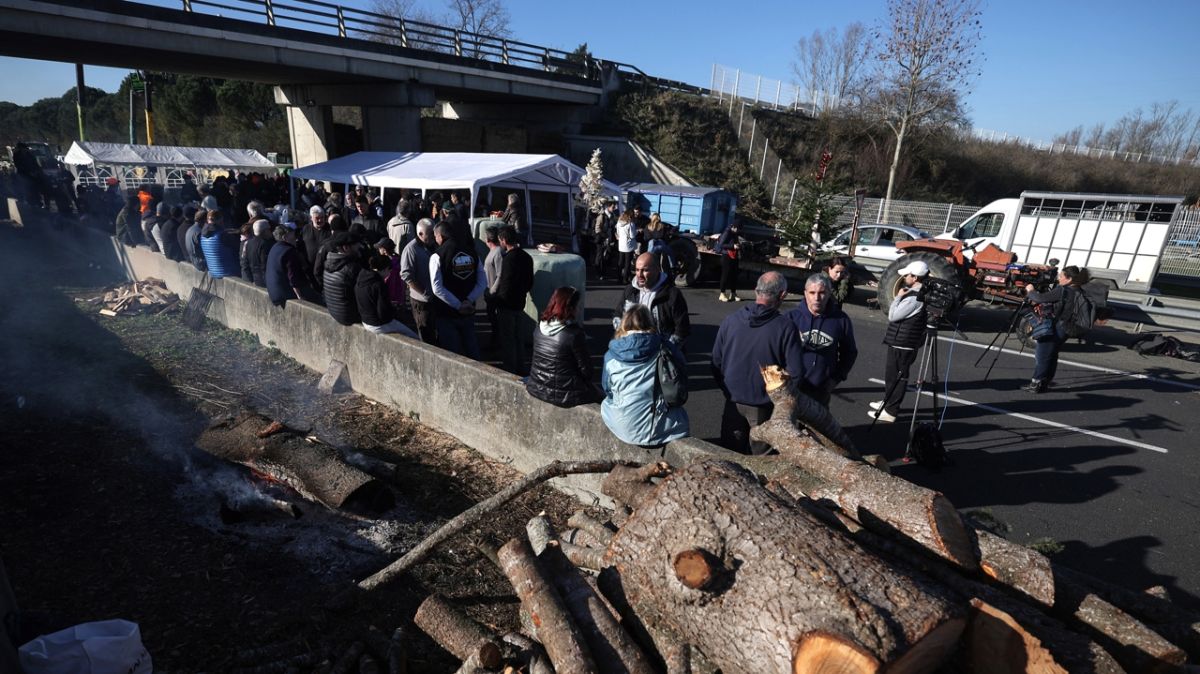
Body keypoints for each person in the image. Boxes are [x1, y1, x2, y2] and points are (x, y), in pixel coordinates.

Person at [711, 272, 805, 453]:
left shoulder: (731, 321)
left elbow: (716, 362)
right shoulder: (785, 327)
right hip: (764, 406)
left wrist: (728, 390)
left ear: (756, 291)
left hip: (732, 401)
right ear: (783, 295)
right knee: (763, 459)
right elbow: (796, 373)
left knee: (731, 456)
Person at [601, 305, 690, 447]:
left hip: (622, 427)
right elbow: (681, 378)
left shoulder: (611, 354)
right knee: (681, 417)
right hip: (655, 428)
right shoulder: (665, 347)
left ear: (623, 324)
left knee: (606, 403)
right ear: (651, 323)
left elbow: (608, 390)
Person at [869, 259, 929, 423]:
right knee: (892, 376)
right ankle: (887, 403)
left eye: (907, 275)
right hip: (903, 341)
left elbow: (893, 316)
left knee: (897, 377)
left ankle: (891, 411)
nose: (905, 278)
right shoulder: (919, 293)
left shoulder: (914, 298)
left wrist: (897, 298)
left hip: (903, 343)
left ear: (915, 277)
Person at [785, 274, 858, 406]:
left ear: (829, 293)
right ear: (805, 293)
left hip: (820, 389)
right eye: (812, 293)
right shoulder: (790, 318)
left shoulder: (841, 320)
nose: (817, 298)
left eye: (822, 293)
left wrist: (835, 379)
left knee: (814, 426)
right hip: (790, 387)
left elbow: (850, 352)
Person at [526, 287, 602, 408]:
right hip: (565, 395)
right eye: (577, 305)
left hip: (536, 386)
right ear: (570, 308)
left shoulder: (539, 327)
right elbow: (587, 372)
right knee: (602, 398)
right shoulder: (573, 334)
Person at [1022, 266, 1090, 393]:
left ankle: (1036, 383)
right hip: (1067, 327)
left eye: (1061, 276)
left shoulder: (1063, 290)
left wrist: (1030, 291)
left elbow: (1040, 298)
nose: (1059, 278)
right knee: (1051, 353)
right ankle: (1045, 381)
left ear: (1069, 279)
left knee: (1043, 354)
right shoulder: (1078, 290)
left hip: (1057, 326)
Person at [429, 222, 487, 359]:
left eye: (435, 236)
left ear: (440, 236)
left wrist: (458, 305)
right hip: (468, 311)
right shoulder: (472, 252)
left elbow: (437, 287)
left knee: (451, 356)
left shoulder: (437, 256)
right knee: (473, 352)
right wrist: (468, 300)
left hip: (447, 314)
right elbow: (482, 282)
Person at [613, 252, 691, 347]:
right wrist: (624, 337)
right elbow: (618, 315)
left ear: (657, 269)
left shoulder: (672, 294)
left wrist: (666, 348)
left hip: (660, 353)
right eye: (637, 270)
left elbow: (682, 329)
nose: (639, 275)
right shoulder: (630, 291)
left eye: (645, 270)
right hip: (632, 349)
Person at [493, 226, 535, 374]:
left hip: (507, 304)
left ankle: (510, 370)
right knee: (518, 338)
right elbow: (530, 281)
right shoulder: (527, 257)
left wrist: (498, 301)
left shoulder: (508, 259)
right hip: (519, 302)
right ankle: (521, 367)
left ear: (504, 240)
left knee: (508, 339)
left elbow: (506, 284)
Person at [357, 254, 418, 337]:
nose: (389, 274)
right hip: (377, 325)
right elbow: (384, 314)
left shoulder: (362, 278)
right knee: (414, 336)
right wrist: (393, 310)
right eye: (389, 271)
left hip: (365, 321)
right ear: (385, 269)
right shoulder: (378, 284)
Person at [400, 218, 438, 344]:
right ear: (420, 234)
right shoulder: (411, 250)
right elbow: (406, 276)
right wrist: (425, 292)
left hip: (436, 298)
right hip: (421, 301)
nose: (434, 235)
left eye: (434, 232)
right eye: (430, 233)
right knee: (426, 335)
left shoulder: (434, 245)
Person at [266, 225, 319, 307]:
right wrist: (299, 295)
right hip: (284, 294)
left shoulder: (274, 247)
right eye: (292, 235)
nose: (295, 238)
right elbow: (292, 276)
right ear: (285, 237)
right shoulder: (289, 251)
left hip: (273, 293)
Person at [322, 233, 363, 326]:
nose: (359, 247)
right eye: (356, 245)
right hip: (349, 316)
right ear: (346, 248)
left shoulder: (328, 263)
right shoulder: (351, 268)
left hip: (335, 312)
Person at [482, 226, 505, 350]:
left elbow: (500, 274)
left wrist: (492, 291)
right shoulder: (494, 251)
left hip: (494, 294)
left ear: (488, 239)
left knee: (496, 321)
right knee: (492, 320)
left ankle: (497, 345)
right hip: (490, 292)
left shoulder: (498, 253)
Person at [199, 210, 239, 279]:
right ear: (220, 220)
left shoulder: (202, 235)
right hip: (228, 272)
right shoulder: (222, 235)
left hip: (213, 272)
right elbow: (237, 247)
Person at [712, 219, 742, 302]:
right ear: (734, 227)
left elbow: (735, 242)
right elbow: (721, 245)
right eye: (738, 229)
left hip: (734, 255)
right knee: (725, 274)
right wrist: (733, 246)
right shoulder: (727, 232)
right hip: (726, 255)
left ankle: (733, 293)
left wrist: (738, 245)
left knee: (734, 275)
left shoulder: (735, 233)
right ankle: (722, 293)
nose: (739, 231)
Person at [242, 219, 275, 287]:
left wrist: (251, 280)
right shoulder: (265, 244)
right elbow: (264, 265)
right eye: (269, 229)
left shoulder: (248, 243)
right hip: (264, 281)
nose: (271, 231)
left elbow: (245, 263)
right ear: (264, 231)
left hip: (255, 279)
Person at [614, 210, 637, 284]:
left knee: (620, 262)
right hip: (628, 245)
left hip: (621, 244)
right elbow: (632, 235)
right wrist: (637, 231)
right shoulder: (631, 224)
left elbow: (617, 233)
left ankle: (618, 278)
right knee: (627, 263)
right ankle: (625, 279)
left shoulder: (619, 222)